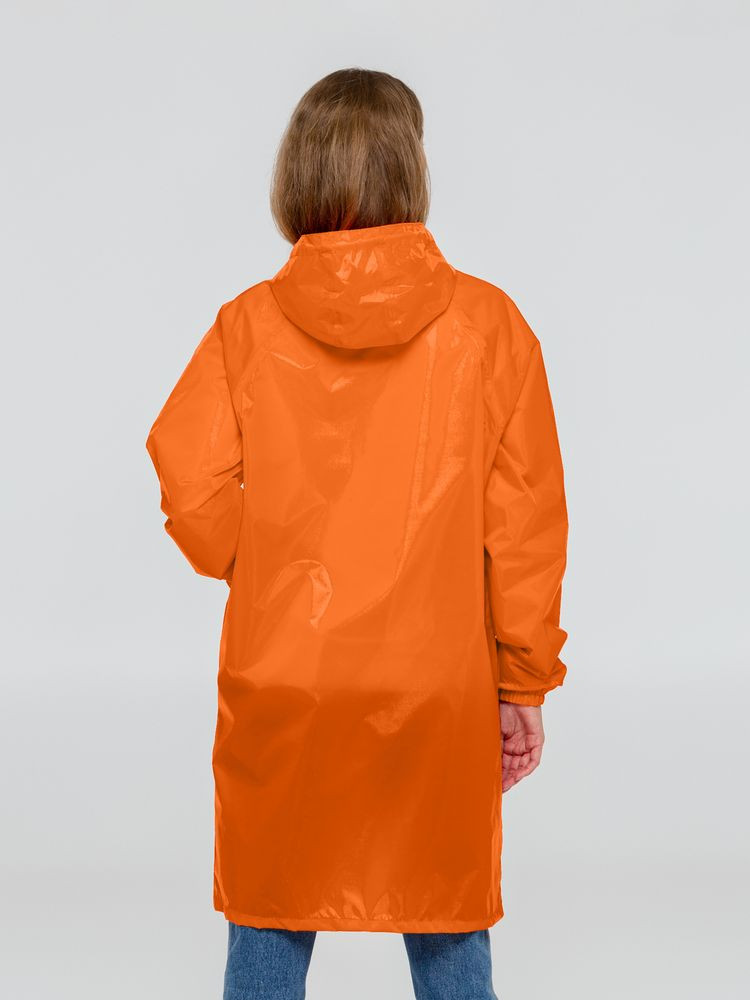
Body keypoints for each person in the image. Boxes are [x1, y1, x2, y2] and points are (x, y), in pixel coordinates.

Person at [145, 67, 569, 1000]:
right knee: (445, 907)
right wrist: (522, 680)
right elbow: (527, 525)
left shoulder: (247, 326)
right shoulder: (490, 326)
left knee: (271, 900)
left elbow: (187, 477)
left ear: (296, 172)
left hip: (285, 676)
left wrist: (255, 562)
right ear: (411, 169)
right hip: (436, 684)